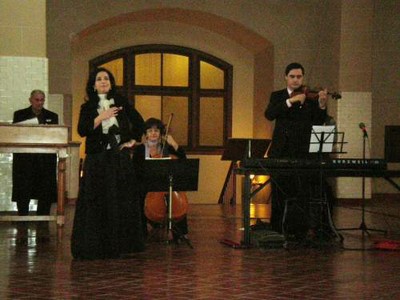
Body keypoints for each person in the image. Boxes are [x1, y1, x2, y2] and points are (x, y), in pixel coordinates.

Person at [71, 67, 146, 260]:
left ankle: (122, 244)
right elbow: (82, 130)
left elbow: (139, 123)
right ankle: (96, 245)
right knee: (97, 201)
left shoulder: (120, 103)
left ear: (111, 83)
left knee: (120, 199)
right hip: (97, 159)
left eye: (106, 79)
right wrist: (100, 117)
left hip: (118, 159)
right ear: (93, 85)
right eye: (99, 79)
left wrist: (132, 141)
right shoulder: (87, 107)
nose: (103, 81)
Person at [264, 62, 330, 245]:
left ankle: (298, 231)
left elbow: (318, 120)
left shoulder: (310, 98)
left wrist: (322, 104)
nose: (295, 80)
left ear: (302, 77)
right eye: (292, 76)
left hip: (302, 152)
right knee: (279, 194)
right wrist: (290, 101)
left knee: (301, 193)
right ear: (286, 77)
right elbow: (269, 114)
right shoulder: (277, 95)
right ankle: (276, 230)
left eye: (299, 77)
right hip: (281, 151)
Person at [133, 118, 190, 244]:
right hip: (147, 185)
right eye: (150, 131)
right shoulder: (140, 150)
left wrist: (174, 144)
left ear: (161, 133)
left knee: (177, 201)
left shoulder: (167, 148)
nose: (153, 133)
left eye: (156, 131)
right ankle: (141, 231)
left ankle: (181, 233)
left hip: (165, 183)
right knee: (137, 196)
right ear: (145, 134)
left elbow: (183, 161)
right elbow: (135, 171)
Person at [12, 90, 58, 216]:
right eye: (37, 100)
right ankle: (22, 217)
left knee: (45, 190)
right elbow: (15, 134)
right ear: (30, 100)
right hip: (25, 160)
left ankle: (43, 218)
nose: (40, 103)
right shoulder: (20, 115)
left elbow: (55, 135)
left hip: (45, 160)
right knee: (23, 189)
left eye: (42, 100)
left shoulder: (52, 116)